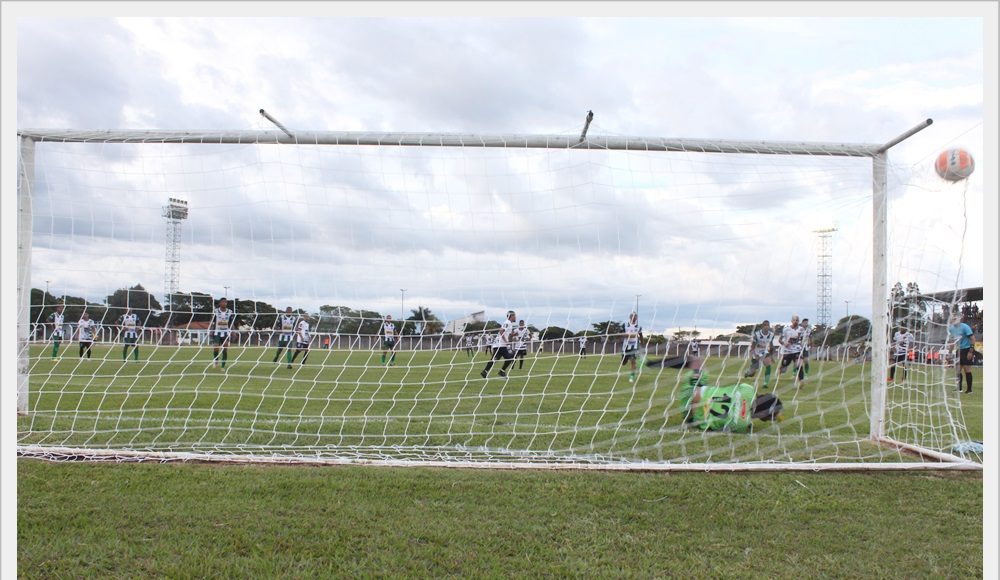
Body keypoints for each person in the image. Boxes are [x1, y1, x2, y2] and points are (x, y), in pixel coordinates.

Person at [481, 310, 517, 378]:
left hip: (498, 344)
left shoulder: (508, 323)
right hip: (501, 345)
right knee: (511, 356)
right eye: (515, 316)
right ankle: (502, 371)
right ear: (511, 316)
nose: (516, 317)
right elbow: (501, 331)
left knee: (495, 359)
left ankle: (485, 371)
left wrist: (513, 335)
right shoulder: (508, 322)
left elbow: (505, 333)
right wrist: (506, 341)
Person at [947, 315, 976, 393]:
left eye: (955, 318)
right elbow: (952, 342)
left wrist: (971, 351)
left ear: (959, 319)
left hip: (967, 349)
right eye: (952, 318)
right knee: (957, 370)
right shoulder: (951, 329)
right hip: (959, 350)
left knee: (967, 369)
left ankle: (969, 390)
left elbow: (973, 339)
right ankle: (959, 388)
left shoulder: (965, 327)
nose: (954, 320)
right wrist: (950, 352)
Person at [744, 320, 775, 389]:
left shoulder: (771, 335)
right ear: (762, 326)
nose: (766, 327)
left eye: (768, 325)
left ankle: (765, 383)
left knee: (768, 366)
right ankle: (747, 373)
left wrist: (771, 355)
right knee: (752, 373)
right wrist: (754, 354)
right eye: (765, 325)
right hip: (757, 352)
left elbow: (771, 345)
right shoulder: (757, 334)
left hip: (765, 352)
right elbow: (753, 346)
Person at [779, 315, 806, 386]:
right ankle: (782, 367)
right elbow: (780, 340)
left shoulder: (801, 329)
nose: (795, 321)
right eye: (794, 320)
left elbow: (802, 339)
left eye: (797, 320)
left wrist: (803, 345)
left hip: (797, 350)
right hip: (787, 351)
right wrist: (784, 343)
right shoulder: (786, 329)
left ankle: (801, 381)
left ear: (799, 321)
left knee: (799, 365)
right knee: (784, 367)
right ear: (791, 321)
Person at [210, 298, 235, 368]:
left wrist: (233, 332)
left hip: (226, 333)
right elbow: (212, 322)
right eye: (223, 302)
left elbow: (231, 323)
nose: (224, 303)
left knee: (225, 348)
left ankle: (223, 366)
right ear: (220, 303)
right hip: (217, 332)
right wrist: (211, 330)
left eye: (225, 302)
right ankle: (216, 361)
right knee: (216, 347)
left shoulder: (230, 312)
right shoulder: (215, 311)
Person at [621, 312, 644, 383]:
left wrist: (642, 345)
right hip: (625, 346)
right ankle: (625, 359)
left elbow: (641, 335)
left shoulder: (638, 327)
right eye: (633, 316)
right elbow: (621, 334)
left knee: (633, 362)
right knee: (623, 363)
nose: (634, 317)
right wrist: (627, 335)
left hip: (634, 346)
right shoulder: (625, 325)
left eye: (635, 316)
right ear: (630, 317)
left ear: (636, 318)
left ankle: (631, 377)